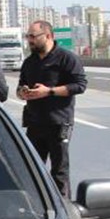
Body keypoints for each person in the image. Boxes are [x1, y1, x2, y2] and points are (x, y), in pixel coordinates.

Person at [17, 20, 87, 199]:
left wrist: (49, 91)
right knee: (31, 169)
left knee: (59, 171)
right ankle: (35, 204)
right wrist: (23, 92)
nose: (30, 40)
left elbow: (80, 85)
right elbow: (20, 86)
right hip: (34, 122)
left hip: (58, 122)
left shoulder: (66, 58)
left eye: (33, 36)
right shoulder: (30, 62)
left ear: (48, 36)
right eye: (28, 36)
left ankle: (63, 205)